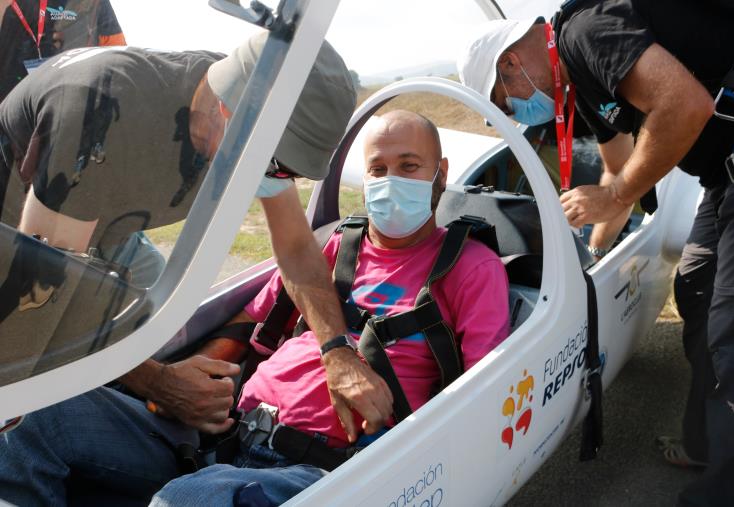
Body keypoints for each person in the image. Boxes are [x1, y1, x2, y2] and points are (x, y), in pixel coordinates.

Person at [0, 32, 403, 505]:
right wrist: (160, 383)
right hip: (24, 242)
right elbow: (42, 302)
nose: (273, 183)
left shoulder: (249, 103)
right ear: (227, 113)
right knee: (23, 400)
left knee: (157, 332)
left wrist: (335, 349)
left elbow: (296, 249)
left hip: (102, 224)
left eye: (285, 172)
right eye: (273, 166)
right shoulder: (98, 121)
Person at [458, 1, 734, 505]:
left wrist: (617, 196)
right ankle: (710, 443)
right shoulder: (585, 89)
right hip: (726, 173)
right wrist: (592, 263)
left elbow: (683, 107)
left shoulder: (584, 33)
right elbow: (615, 171)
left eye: (506, 104)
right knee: (698, 287)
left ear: (510, 64)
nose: (516, 113)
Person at [147, 109, 510, 507]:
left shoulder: (470, 266)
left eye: (408, 166)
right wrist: (178, 386)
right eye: (378, 169)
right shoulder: (338, 246)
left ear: (440, 172)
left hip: (325, 469)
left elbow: (483, 392)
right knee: (68, 421)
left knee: (182, 500)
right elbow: (255, 321)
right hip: (226, 432)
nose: (391, 182)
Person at [0, 0, 126, 103]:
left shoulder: (96, 4)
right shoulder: (18, 7)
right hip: (32, 104)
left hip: (75, 102)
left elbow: (117, 56)